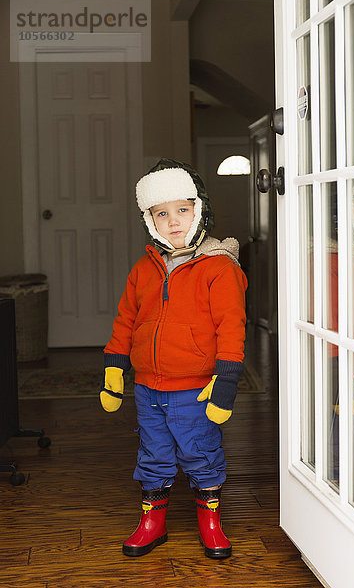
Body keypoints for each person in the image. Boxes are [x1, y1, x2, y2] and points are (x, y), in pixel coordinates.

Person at [100, 158, 247, 559]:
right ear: (150, 220)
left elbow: (231, 326)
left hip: (195, 389)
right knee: (153, 454)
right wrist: (115, 366)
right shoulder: (143, 271)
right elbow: (125, 319)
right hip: (148, 388)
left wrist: (227, 380)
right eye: (161, 213)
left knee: (201, 452)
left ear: (199, 211)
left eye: (182, 210)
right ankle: (153, 522)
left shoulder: (219, 267)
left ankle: (210, 521)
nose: (173, 221)